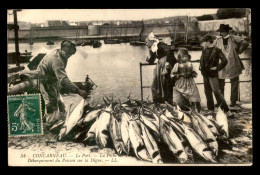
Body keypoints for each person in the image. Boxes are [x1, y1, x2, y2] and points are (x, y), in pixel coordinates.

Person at [37, 40, 89, 128]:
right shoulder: (57, 60)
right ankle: (50, 124)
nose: (68, 56)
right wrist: (78, 90)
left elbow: (60, 76)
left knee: (59, 102)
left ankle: (61, 119)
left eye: (70, 55)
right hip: (43, 80)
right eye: (67, 54)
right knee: (50, 102)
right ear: (63, 50)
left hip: (52, 79)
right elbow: (63, 80)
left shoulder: (60, 52)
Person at [214, 24, 249, 107]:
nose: (221, 33)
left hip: (233, 62)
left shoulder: (234, 38)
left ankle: (233, 101)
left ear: (227, 31)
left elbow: (245, 43)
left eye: (222, 31)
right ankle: (221, 101)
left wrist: (239, 51)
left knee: (234, 82)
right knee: (220, 83)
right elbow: (213, 50)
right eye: (220, 31)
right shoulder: (217, 40)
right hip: (222, 64)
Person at [200, 34, 234, 117]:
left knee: (217, 92)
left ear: (208, 42)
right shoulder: (204, 50)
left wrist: (217, 67)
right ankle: (211, 110)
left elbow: (224, 61)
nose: (202, 44)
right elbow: (202, 60)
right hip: (205, 74)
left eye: (203, 42)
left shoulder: (217, 50)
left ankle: (226, 111)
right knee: (207, 92)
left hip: (212, 74)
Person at [146, 32, 177, 103]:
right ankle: (158, 100)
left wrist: (167, 63)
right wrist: (149, 52)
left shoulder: (160, 45)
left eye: (147, 42)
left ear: (152, 41)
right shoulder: (153, 48)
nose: (146, 44)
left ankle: (167, 100)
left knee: (166, 82)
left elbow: (170, 51)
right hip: (161, 65)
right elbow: (151, 61)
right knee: (156, 83)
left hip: (167, 64)